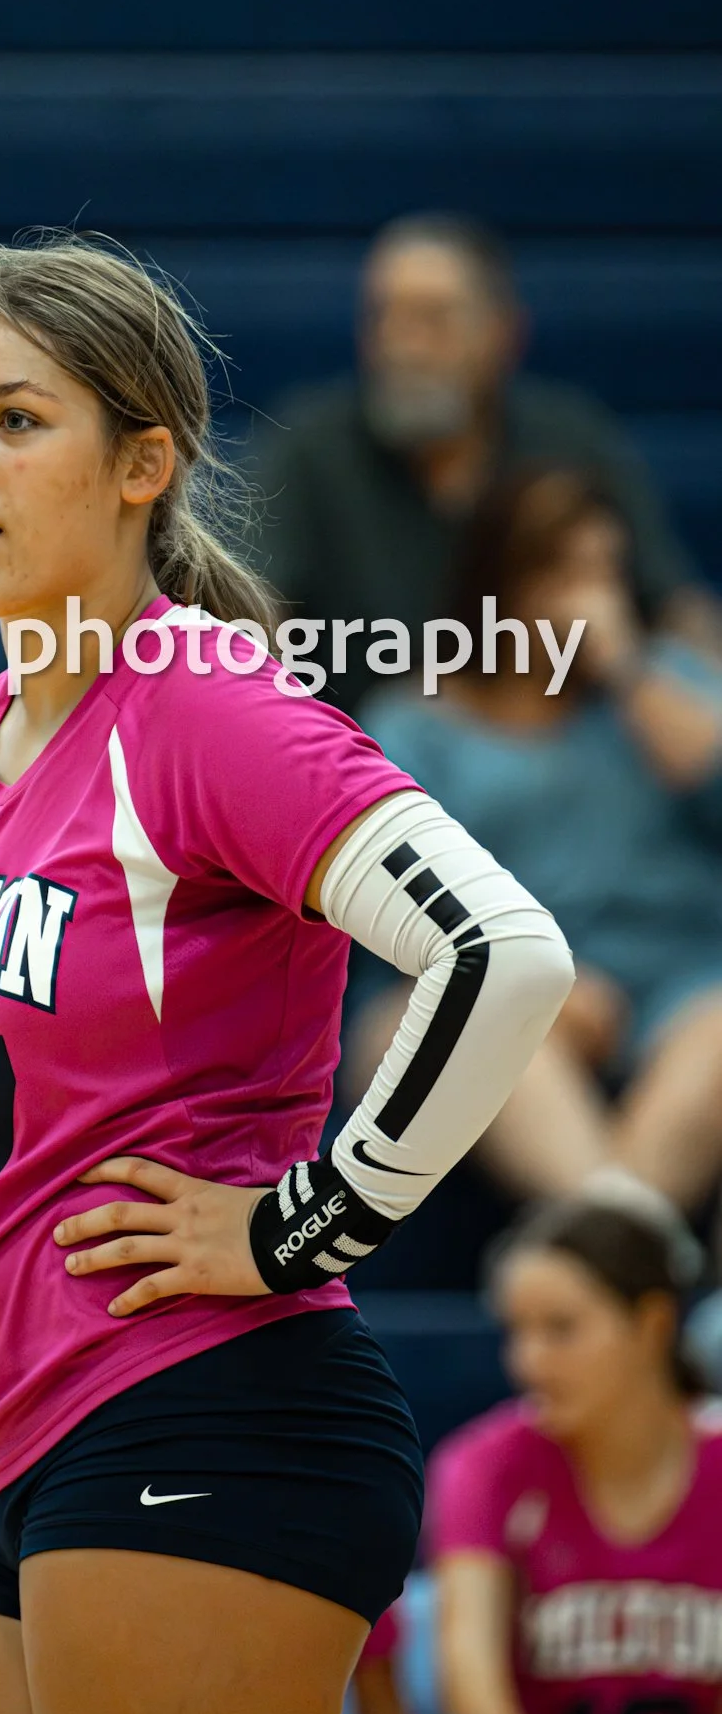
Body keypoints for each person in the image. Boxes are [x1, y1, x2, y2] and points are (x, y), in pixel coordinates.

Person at [0, 233, 575, 1714]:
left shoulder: (202, 709)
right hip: (27, 1439)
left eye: (16, 419)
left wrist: (298, 1224)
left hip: (200, 1406)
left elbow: (504, 950)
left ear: (145, 465)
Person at [355, 466, 722, 1215]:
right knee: (444, 1027)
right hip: (509, 975)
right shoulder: (414, 725)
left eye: (604, 574)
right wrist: (544, 982)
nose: (589, 603)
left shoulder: (666, 687)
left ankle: (596, 1248)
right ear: (498, 584)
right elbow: (391, 903)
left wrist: (628, 669)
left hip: (687, 979)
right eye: (561, 575)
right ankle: (619, 1236)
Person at [247, 213, 721, 713]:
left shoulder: (569, 442)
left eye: (434, 319)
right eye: (384, 317)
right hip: (354, 744)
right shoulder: (309, 449)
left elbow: (672, 605)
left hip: (544, 746)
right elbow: (253, 614)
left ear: (503, 333)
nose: (405, 346)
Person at [430, 1193, 722, 1714]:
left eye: (560, 1329)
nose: (528, 1361)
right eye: (517, 1331)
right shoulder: (483, 1465)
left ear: (653, 1324)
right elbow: (472, 1696)